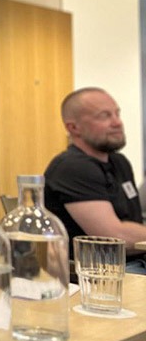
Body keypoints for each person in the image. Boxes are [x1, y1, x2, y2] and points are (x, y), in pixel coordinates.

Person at [44, 87, 146, 272]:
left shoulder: (119, 162)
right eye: (104, 116)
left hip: (136, 261)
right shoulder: (72, 167)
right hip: (102, 273)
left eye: (117, 114)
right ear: (73, 128)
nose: (117, 122)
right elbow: (114, 236)